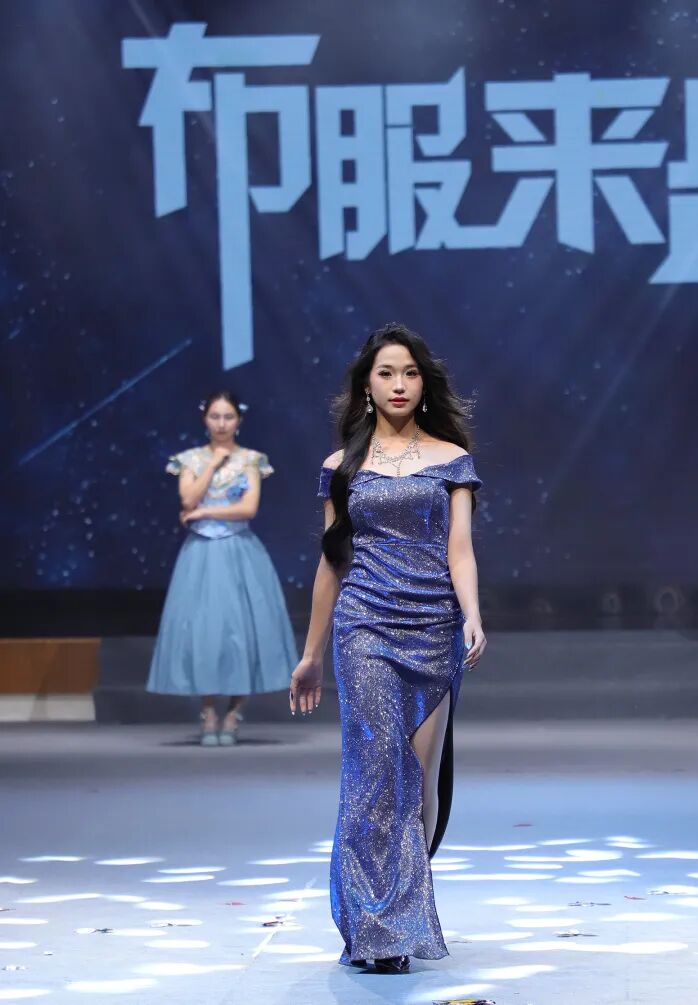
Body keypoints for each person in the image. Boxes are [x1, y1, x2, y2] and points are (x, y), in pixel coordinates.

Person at [290, 323, 486, 973]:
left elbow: (460, 548)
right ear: (366, 386)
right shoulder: (340, 468)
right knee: (377, 772)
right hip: (364, 626)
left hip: (433, 626)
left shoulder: (451, 459)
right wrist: (311, 653)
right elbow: (331, 563)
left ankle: (398, 911)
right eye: (385, 373)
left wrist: (472, 615)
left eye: (409, 372)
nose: (398, 384)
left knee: (418, 780)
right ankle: (378, 929)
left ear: (423, 383)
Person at [147, 390, 297, 746]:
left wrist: (205, 511)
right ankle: (208, 712)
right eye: (215, 416)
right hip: (201, 554)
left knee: (243, 631)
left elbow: (248, 509)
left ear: (239, 420)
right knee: (205, 632)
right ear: (205, 419)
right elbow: (187, 498)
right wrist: (213, 464)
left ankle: (234, 712)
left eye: (228, 416)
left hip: (239, 549)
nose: (221, 423)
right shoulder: (189, 460)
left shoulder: (251, 460)